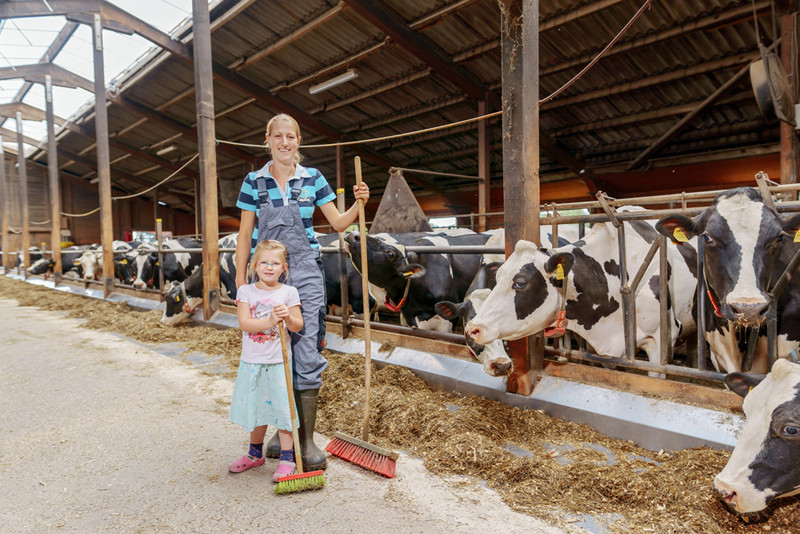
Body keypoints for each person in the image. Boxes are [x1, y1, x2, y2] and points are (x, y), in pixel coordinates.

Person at [235, 113, 369, 471]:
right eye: (277, 136)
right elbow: (245, 235)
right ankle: (282, 436)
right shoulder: (252, 182)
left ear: (298, 141)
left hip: (306, 271)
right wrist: (239, 280)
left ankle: (306, 442)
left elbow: (339, 223)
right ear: (267, 139)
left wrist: (359, 203)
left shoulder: (314, 178)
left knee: (305, 348)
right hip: (266, 273)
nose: (284, 143)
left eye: (290, 137)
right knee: (268, 351)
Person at [229, 240, 304, 481]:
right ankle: (254, 455)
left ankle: (286, 459)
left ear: (284, 267)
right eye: (263, 262)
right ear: (254, 265)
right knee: (256, 407)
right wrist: (271, 321)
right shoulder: (246, 292)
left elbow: (298, 325)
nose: (269, 267)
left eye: (275, 263)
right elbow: (245, 324)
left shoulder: (288, 292)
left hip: (278, 362)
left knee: (283, 410)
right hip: (252, 361)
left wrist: (287, 318)